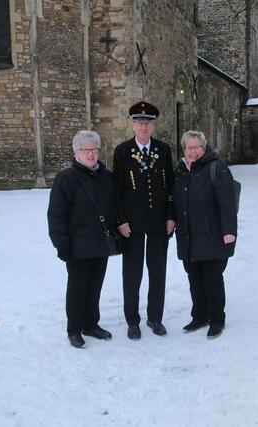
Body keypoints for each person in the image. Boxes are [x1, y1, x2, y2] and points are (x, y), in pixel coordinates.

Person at [113, 101, 175, 340]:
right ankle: (132, 320)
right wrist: (121, 219)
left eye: (148, 122)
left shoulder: (163, 149)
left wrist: (171, 216)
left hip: (159, 221)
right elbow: (117, 190)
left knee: (157, 271)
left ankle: (155, 318)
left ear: (153, 125)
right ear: (132, 124)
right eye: (139, 122)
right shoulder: (122, 151)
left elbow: (170, 186)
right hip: (133, 223)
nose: (144, 126)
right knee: (132, 273)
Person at [47, 130, 116, 349]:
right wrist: (61, 244)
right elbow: (56, 215)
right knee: (78, 288)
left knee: (95, 286)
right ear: (76, 153)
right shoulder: (66, 178)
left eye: (94, 149)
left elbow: (113, 207)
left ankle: (91, 324)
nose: (90, 154)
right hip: (77, 245)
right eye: (85, 150)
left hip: (100, 242)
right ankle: (74, 329)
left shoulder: (106, 177)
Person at [173, 130, 237, 339]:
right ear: (184, 150)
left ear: (204, 147)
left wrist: (229, 231)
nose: (193, 152)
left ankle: (217, 319)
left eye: (197, 147)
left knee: (212, 279)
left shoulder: (217, 168)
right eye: (189, 148)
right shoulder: (181, 171)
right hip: (188, 237)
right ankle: (199, 316)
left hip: (212, 234)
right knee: (194, 278)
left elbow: (227, 203)